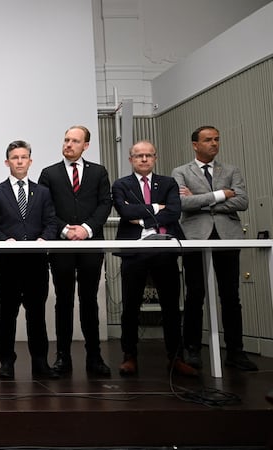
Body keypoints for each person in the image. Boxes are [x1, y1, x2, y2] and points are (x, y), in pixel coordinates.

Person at [171, 126, 258, 371]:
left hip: (227, 236)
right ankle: (192, 349)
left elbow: (242, 201)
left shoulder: (231, 170)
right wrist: (221, 194)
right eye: (208, 140)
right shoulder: (181, 171)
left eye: (217, 139)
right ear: (195, 145)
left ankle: (235, 351)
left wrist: (203, 202)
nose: (214, 144)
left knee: (230, 295)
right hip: (195, 237)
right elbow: (182, 203)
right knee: (195, 293)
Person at [112, 140, 197, 377]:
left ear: (155, 158)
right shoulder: (121, 185)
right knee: (130, 307)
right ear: (131, 159)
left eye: (149, 155)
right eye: (139, 155)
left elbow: (174, 212)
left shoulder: (168, 183)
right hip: (134, 252)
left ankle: (176, 357)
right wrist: (158, 207)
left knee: (171, 307)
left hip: (165, 251)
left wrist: (142, 219)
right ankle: (129, 356)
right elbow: (125, 211)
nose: (144, 159)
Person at [38, 125, 112, 377]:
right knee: (64, 301)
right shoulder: (49, 173)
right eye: (66, 139)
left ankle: (95, 357)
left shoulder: (99, 172)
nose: (68, 144)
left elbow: (105, 204)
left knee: (89, 300)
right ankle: (63, 357)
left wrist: (86, 229)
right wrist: (65, 230)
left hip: (91, 244)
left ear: (86, 145)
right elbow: (45, 208)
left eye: (75, 141)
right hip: (61, 246)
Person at [0, 140, 58, 380]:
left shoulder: (43, 192)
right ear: (7, 162)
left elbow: (51, 222)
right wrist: (3, 240)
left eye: (23, 157)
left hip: (36, 262)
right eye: (14, 158)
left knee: (36, 314)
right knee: (7, 314)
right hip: (7, 263)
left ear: (30, 161)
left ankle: (40, 362)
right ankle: (6, 362)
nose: (19, 161)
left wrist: (44, 239)